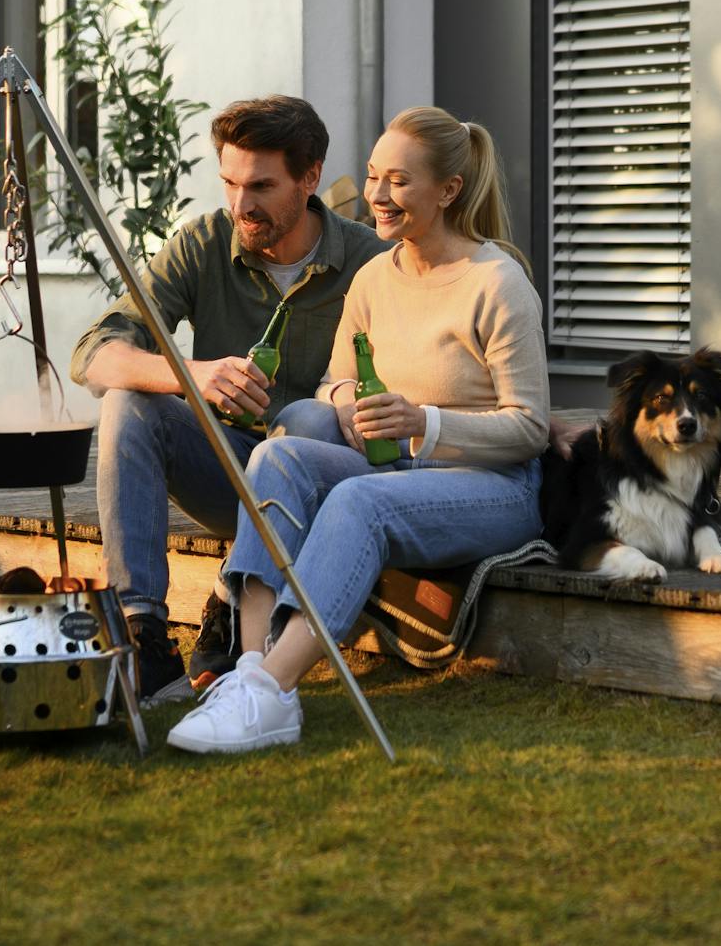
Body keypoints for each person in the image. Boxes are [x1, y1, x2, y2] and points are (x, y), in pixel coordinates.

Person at [166, 107, 549, 754]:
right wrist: (344, 403)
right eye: (373, 176)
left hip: (494, 485)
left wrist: (424, 422)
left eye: (397, 180)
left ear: (448, 190)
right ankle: (252, 669)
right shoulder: (374, 278)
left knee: (357, 500)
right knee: (275, 457)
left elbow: (531, 428)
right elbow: (333, 383)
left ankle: (275, 689)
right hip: (399, 468)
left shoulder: (496, 281)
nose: (375, 194)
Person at [70, 95, 391, 705]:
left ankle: (227, 597)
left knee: (305, 416)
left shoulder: (370, 261)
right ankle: (143, 637)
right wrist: (194, 375)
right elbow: (94, 352)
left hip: (325, 488)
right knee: (127, 401)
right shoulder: (203, 244)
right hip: (228, 474)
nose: (242, 204)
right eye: (230, 183)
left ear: (311, 177)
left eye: (263, 186)